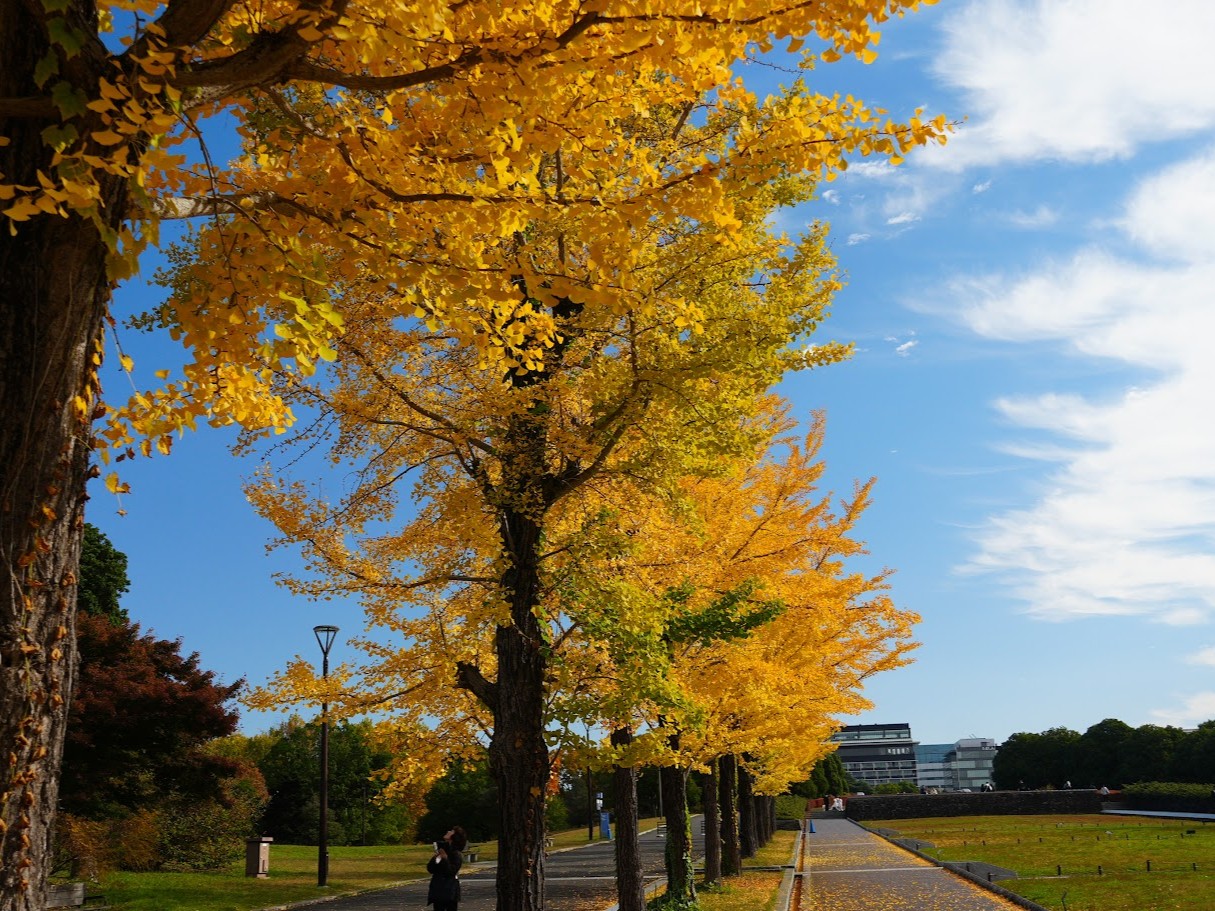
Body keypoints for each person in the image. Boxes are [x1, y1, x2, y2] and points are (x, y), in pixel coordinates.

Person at [427, 826, 467, 911]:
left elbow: (451, 872)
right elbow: (430, 869)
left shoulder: (456, 854)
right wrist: (436, 858)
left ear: (454, 836)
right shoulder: (442, 850)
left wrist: (444, 858)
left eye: (452, 831)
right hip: (437, 888)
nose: (448, 831)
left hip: (449, 889)